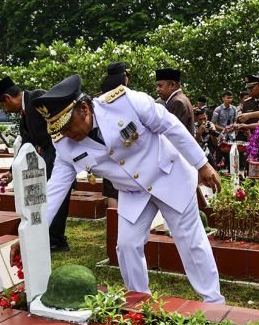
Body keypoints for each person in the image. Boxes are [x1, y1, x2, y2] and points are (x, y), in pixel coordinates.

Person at [26, 74, 225, 303]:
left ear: (84, 109)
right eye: (61, 130)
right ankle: (140, 300)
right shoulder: (64, 144)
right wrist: (30, 235)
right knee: (127, 246)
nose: (68, 135)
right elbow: (54, 191)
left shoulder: (125, 102)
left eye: (69, 126)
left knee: (190, 240)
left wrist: (202, 164)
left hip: (168, 174)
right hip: (132, 192)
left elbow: (171, 126)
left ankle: (213, 303)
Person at [0, 76, 72, 252]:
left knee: (57, 197)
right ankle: (53, 237)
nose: (5, 109)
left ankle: (57, 240)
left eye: (3, 105)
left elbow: (59, 124)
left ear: (7, 98)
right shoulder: (25, 112)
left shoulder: (38, 98)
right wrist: (12, 172)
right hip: (49, 157)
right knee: (49, 197)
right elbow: (26, 142)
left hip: (59, 155)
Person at [100, 61, 131, 204]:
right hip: (126, 149)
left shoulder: (101, 98)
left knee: (112, 190)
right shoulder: (127, 98)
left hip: (108, 150)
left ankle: (112, 224)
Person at [155, 68, 194, 134]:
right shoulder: (182, 98)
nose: (157, 89)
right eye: (157, 86)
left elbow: (172, 134)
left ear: (172, 85)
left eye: (160, 86)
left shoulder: (177, 102)